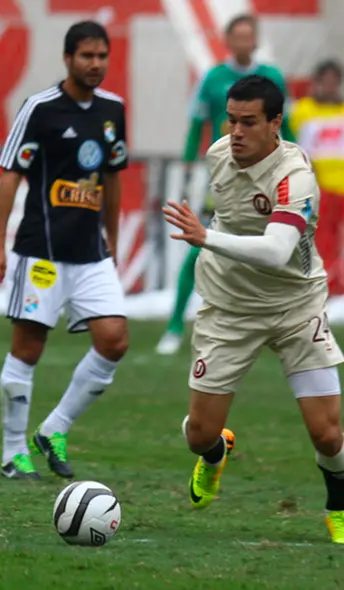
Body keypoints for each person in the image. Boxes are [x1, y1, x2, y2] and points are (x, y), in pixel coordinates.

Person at [163, 75, 344, 544]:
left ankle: (338, 502)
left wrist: (204, 237)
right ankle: (216, 452)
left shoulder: (296, 177)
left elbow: (276, 251)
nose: (236, 132)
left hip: (295, 308)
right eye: (232, 120)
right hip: (229, 309)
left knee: (327, 435)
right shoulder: (219, 154)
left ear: (275, 124)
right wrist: (211, 236)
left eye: (249, 122)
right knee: (198, 433)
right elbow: (230, 214)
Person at [0, 20, 129, 481]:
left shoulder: (113, 110)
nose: (95, 64)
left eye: (102, 56)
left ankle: (54, 428)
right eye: (87, 56)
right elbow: (10, 175)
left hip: (91, 254)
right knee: (29, 347)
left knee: (114, 340)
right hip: (41, 253)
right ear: (68, 58)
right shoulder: (40, 109)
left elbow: (112, 178)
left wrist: (114, 241)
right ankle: (12, 453)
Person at [156, 13, 295, 355]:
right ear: (228, 40)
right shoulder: (214, 78)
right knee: (200, 246)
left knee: (278, 249)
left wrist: (296, 162)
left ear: (256, 40)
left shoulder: (273, 78)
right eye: (238, 36)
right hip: (223, 180)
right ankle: (175, 325)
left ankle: (282, 326)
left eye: (250, 36)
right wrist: (190, 167)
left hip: (267, 177)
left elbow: (286, 126)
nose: (244, 43)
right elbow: (196, 124)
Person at [290, 59, 344, 294]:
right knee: (324, 239)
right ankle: (328, 284)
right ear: (317, 83)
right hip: (321, 185)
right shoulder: (303, 111)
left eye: (335, 82)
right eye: (326, 81)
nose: (330, 87)